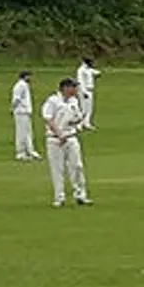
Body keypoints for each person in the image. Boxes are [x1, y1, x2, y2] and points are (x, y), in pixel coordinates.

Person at [43, 77, 91, 207]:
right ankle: (59, 197)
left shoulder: (74, 101)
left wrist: (77, 121)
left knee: (77, 166)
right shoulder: (52, 101)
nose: (75, 90)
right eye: (73, 87)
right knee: (57, 169)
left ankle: (81, 195)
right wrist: (59, 135)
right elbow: (48, 119)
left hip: (71, 137)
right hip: (54, 139)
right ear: (65, 88)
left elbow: (76, 117)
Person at [11, 70, 40, 162]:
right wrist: (13, 108)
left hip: (25, 112)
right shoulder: (20, 86)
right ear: (25, 76)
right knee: (21, 132)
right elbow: (16, 99)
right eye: (29, 76)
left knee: (28, 132)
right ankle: (20, 152)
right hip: (21, 112)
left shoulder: (25, 85)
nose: (31, 78)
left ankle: (30, 150)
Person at [75, 57, 99, 130]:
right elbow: (80, 82)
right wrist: (84, 92)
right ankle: (78, 124)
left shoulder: (88, 69)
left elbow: (95, 72)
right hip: (84, 91)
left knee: (89, 109)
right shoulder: (81, 70)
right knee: (84, 109)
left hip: (90, 90)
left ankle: (87, 123)